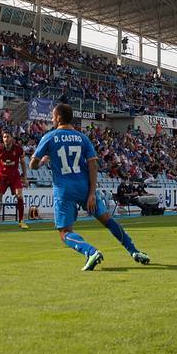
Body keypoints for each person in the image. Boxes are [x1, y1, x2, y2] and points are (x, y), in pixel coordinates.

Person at [29, 103, 149, 271]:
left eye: (52, 116)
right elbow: (93, 166)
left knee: (65, 233)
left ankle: (90, 252)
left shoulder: (49, 137)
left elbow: (32, 165)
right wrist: (91, 193)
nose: (51, 119)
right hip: (85, 188)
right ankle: (134, 251)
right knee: (107, 220)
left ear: (58, 118)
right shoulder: (82, 138)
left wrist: (43, 161)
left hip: (64, 190)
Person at [0, 129, 29, 231]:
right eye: (4, 137)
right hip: (2, 177)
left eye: (8, 137)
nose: (6, 139)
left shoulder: (18, 149)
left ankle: (21, 221)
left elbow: (23, 162)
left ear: (12, 138)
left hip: (14, 176)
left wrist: (25, 177)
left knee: (19, 195)